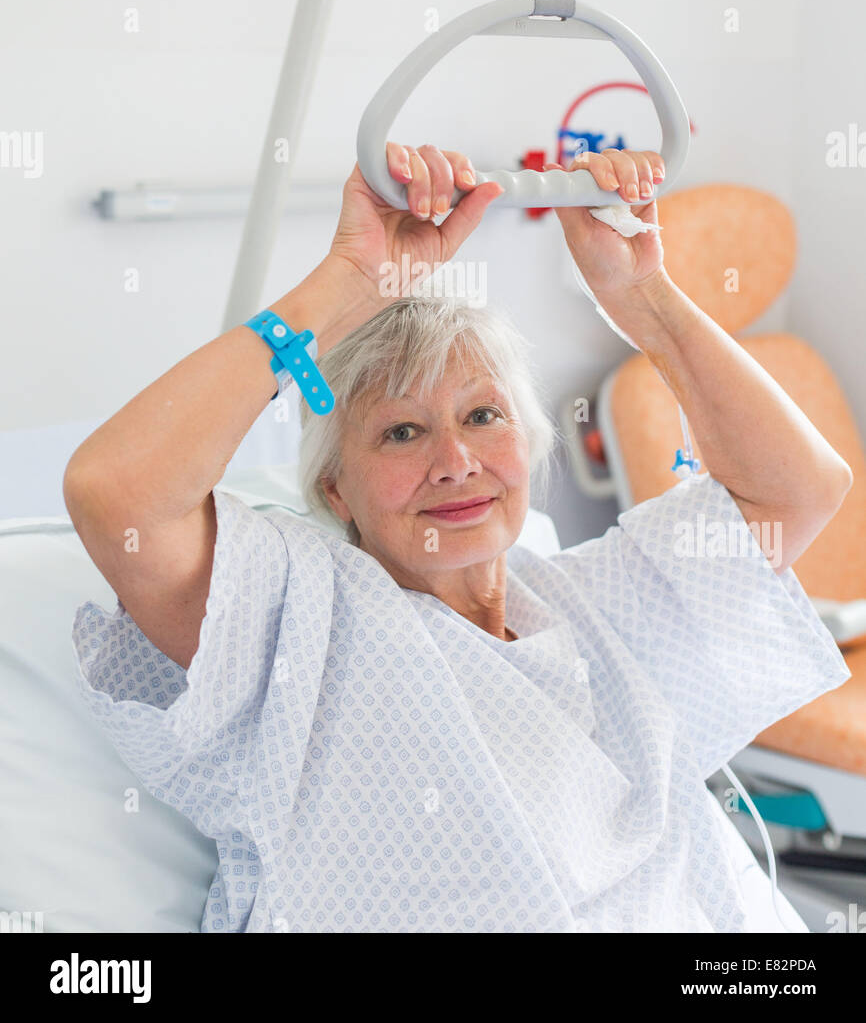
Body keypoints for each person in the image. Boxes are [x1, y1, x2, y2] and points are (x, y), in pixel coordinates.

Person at [64, 142, 853, 932]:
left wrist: (642, 294)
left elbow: (799, 489)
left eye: (483, 415)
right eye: (402, 432)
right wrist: (345, 286)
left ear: (531, 441)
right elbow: (118, 494)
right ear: (335, 486)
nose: (455, 462)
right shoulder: (301, 620)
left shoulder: (596, 604)